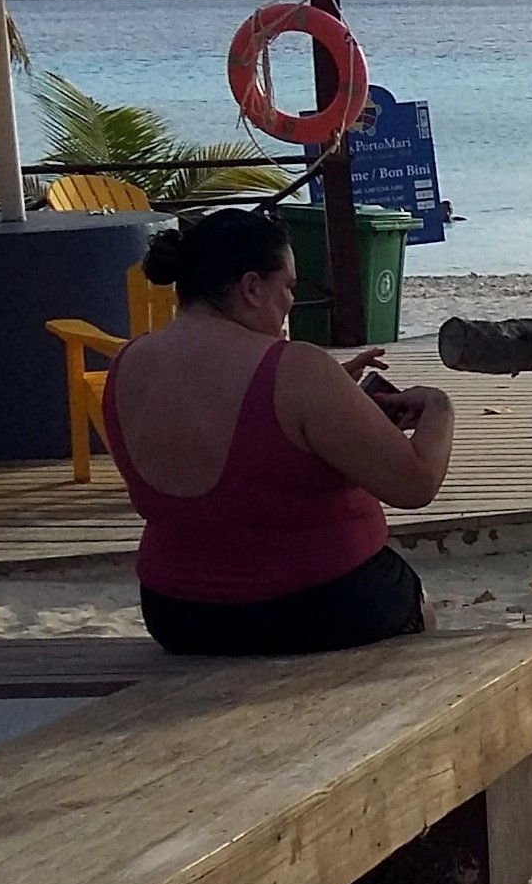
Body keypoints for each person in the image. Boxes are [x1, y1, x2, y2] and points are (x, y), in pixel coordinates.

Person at [104, 206, 457, 656]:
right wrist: (439, 408)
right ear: (252, 287)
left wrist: (336, 400)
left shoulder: (128, 364)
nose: (290, 301)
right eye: (286, 286)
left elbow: (230, 428)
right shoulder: (297, 370)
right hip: (316, 604)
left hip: (178, 613)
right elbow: (416, 484)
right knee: (414, 600)